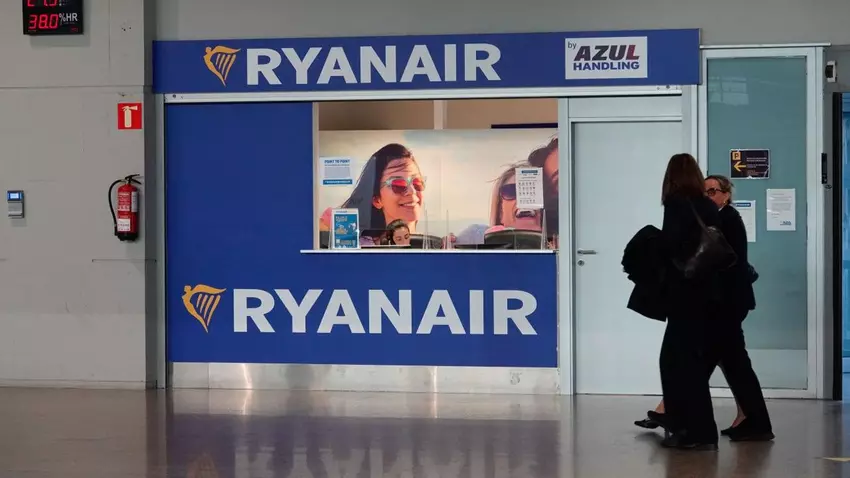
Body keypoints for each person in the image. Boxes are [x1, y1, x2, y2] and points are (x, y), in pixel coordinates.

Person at [653, 153, 725, 450]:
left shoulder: (676, 204)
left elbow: (671, 246)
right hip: (707, 292)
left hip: (684, 293)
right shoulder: (707, 205)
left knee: (674, 362)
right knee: (691, 362)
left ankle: (689, 429)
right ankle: (700, 429)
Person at [319, 143, 425, 245]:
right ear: (377, 200)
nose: (412, 191)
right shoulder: (357, 244)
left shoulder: (432, 246)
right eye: (399, 185)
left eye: (417, 183)